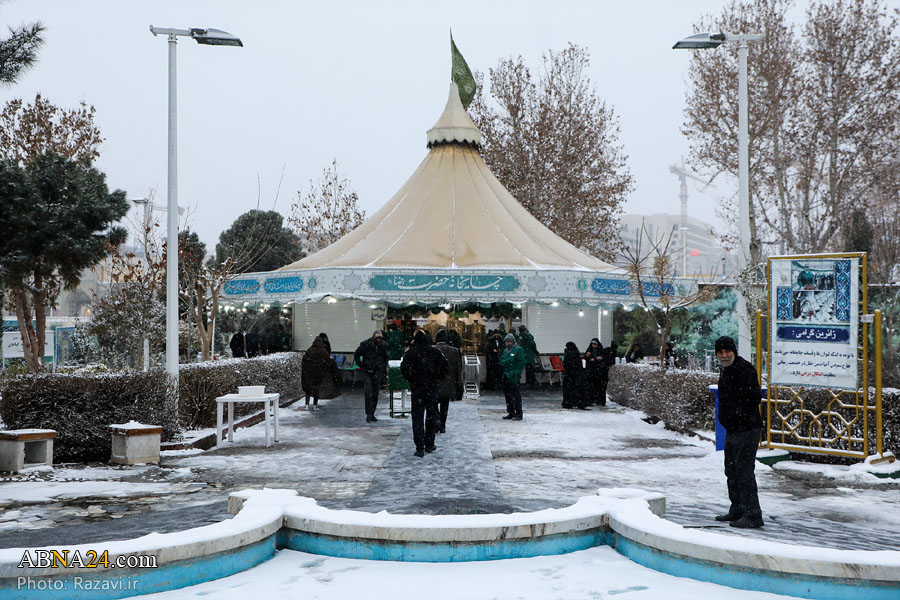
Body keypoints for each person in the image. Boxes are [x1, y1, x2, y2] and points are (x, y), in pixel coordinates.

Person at [714, 335, 764, 529]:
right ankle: (738, 508)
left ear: (734, 352)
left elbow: (753, 398)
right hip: (733, 429)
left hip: (747, 428)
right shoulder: (726, 370)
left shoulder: (744, 369)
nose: (724, 355)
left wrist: (737, 417)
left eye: (727, 351)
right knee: (731, 470)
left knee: (744, 472)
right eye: (720, 352)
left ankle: (753, 514)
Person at [401, 330, 449, 457]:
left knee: (417, 417)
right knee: (431, 416)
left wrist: (411, 379)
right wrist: (437, 377)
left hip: (417, 389)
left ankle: (419, 447)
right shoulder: (435, 352)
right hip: (432, 388)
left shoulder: (411, 353)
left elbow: (404, 368)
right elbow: (445, 367)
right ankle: (429, 444)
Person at [354, 330, 389, 422]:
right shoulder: (366, 344)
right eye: (377, 338)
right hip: (368, 371)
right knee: (369, 392)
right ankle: (369, 413)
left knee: (375, 393)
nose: (378, 340)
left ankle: (371, 413)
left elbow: (386, 359)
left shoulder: (383, 346)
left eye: (380, 338)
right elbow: (357, 355)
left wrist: (382, 369)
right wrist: (362, 365)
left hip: (377, 371)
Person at [434, 330, 462, 434]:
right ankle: (442, 425)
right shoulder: (454, 351)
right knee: (445, 405)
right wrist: (458, 382)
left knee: (433, 404)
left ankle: (436, 420)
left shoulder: (433, 349)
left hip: (435, 382)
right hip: (449, 382)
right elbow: (458, 368)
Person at [499, 333, 526, 420]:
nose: (507, 343)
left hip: (513, 375)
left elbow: (521, 362)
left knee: (516, 395)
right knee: (508, 395)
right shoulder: (506, 350)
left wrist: (517, 372)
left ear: (513, 341)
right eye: (506, 341)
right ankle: (511, 412)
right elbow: (502, 359)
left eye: (509, 341)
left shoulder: (518, 350)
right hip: (506, 375)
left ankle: (518, 413)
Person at [301, 338, 331, 411]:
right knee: (316, 389)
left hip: (309, 373)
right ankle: (315, 405)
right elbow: (328, 362)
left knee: (308, 390)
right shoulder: (323, 351)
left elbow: (304, 360)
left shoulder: (309, 350)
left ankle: (307, 405)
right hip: (318, 373)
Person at [561, 342, 589, 410]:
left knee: (569, 390)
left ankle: (569, 403)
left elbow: (566, 364)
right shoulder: (577, 353)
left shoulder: (568, 354)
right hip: (577, 374)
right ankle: (578, 402)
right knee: (577, 389)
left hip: (569, 375)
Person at [583, 338, 605, 406]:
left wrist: (595, 359)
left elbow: (602, 358)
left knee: (598, 386)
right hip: (590, 371)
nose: (593, 345)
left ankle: (599, 400)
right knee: (590, 386)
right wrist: (587, 356)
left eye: (595, 344)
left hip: (598, 371)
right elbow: (586, 358)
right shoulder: (589, 349)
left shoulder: (600, 350)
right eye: (592, 344)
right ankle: (590, 400)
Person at [445, 329, 465, 401]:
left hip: (449, 363)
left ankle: (449, 394)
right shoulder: (457, 339)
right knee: (456, 378)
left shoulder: (448, 338)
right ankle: (455, 394)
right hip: (456, 362)